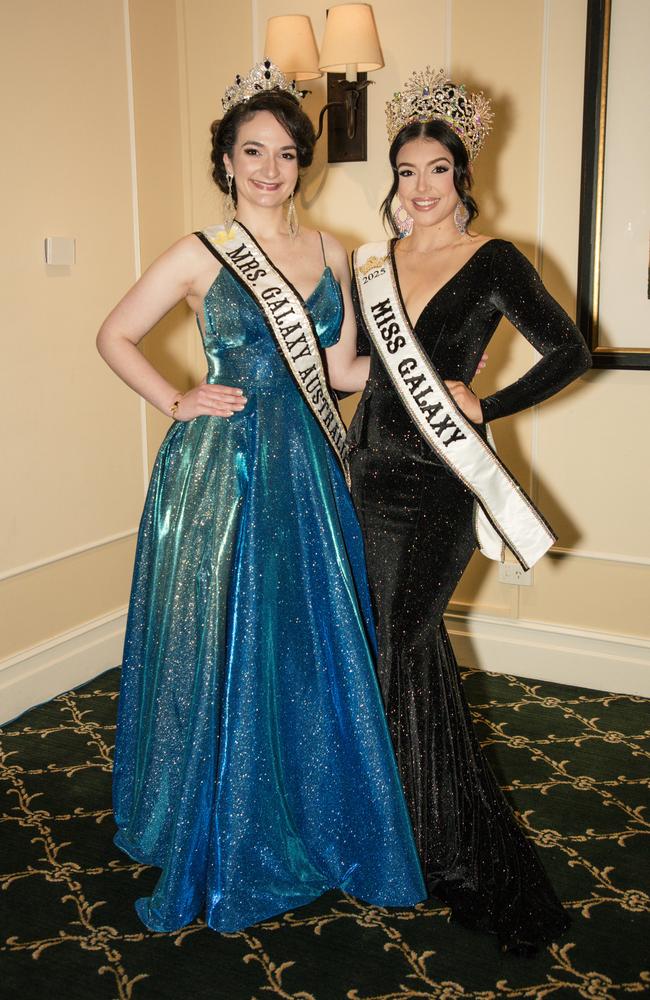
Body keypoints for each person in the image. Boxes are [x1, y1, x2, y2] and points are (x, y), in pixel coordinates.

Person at [96, 60, 425, 934]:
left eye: (284, 153)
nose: (270, 168)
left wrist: (418, 370)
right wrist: (177, 398)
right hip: (221, 471)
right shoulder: (198, 251)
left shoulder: (330, 253)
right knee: (220, 638)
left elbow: (341, 369)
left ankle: (306, 810)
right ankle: (210, 812)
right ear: (228, 160)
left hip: (307, 468)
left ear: (301, 163)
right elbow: (115, 333)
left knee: (303, 638)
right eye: (253, 151)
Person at [347, 68, 592, 953]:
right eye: (405, 171)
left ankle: (450, 844)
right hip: (364, 468)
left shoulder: (492, 260)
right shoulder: (371, 265)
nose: (419, 188)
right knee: (373, 643)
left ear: (462, 176)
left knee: (405, 640)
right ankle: (391, 824)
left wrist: (490, 404)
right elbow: (360, 373)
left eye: (436, 171)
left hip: (439, 484)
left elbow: (570, 349)